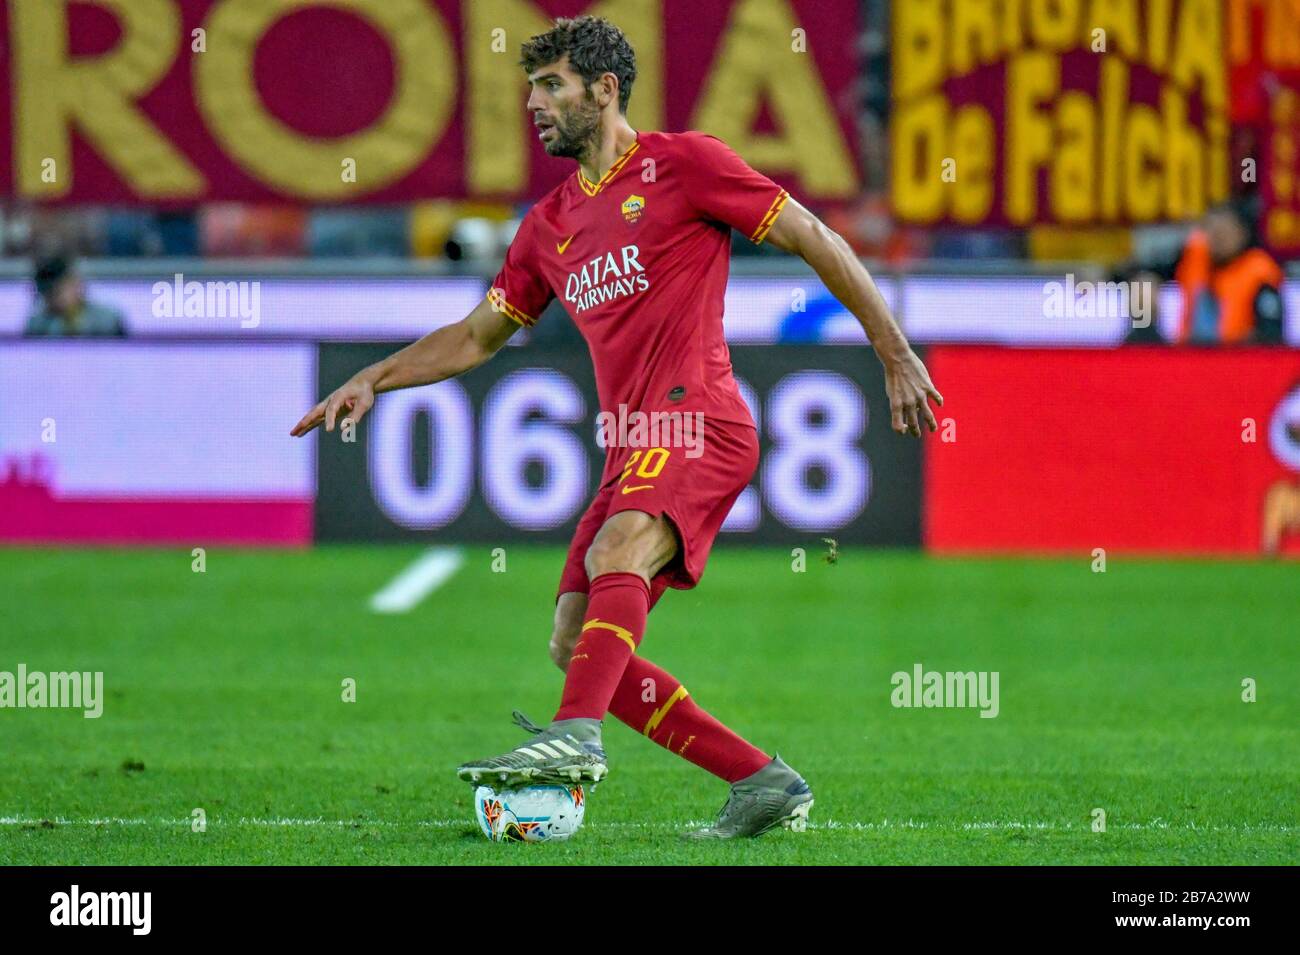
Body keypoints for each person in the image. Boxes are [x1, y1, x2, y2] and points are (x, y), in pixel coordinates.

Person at [291, 16, 942, 839]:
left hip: (700, 418)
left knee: (617, 552)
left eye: (551, 86)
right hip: (630, 443)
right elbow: (474, 337)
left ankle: (574, 737)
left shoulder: (687, 165)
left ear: (604, 91)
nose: (534, 104)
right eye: (530, 87)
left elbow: (814, 236)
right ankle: (760, 779)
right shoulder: (549, 224)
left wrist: (893, 352)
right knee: (572, 640)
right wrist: (374, 376)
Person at [1123, 198, 1285, 345]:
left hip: (1236, 357)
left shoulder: (1259, 269)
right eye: (1212, 231)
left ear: (1242, 233)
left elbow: (1270, 333)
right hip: (1189, 353)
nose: (1218, 239)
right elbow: (1149, 271)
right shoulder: (1195, 257)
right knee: (1142, 285)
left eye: (1224, 232)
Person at [24, 254, 126, 337]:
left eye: (58, 292)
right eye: (48, 295)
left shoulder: (108, 321)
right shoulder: (37, 326)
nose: (52, 300)